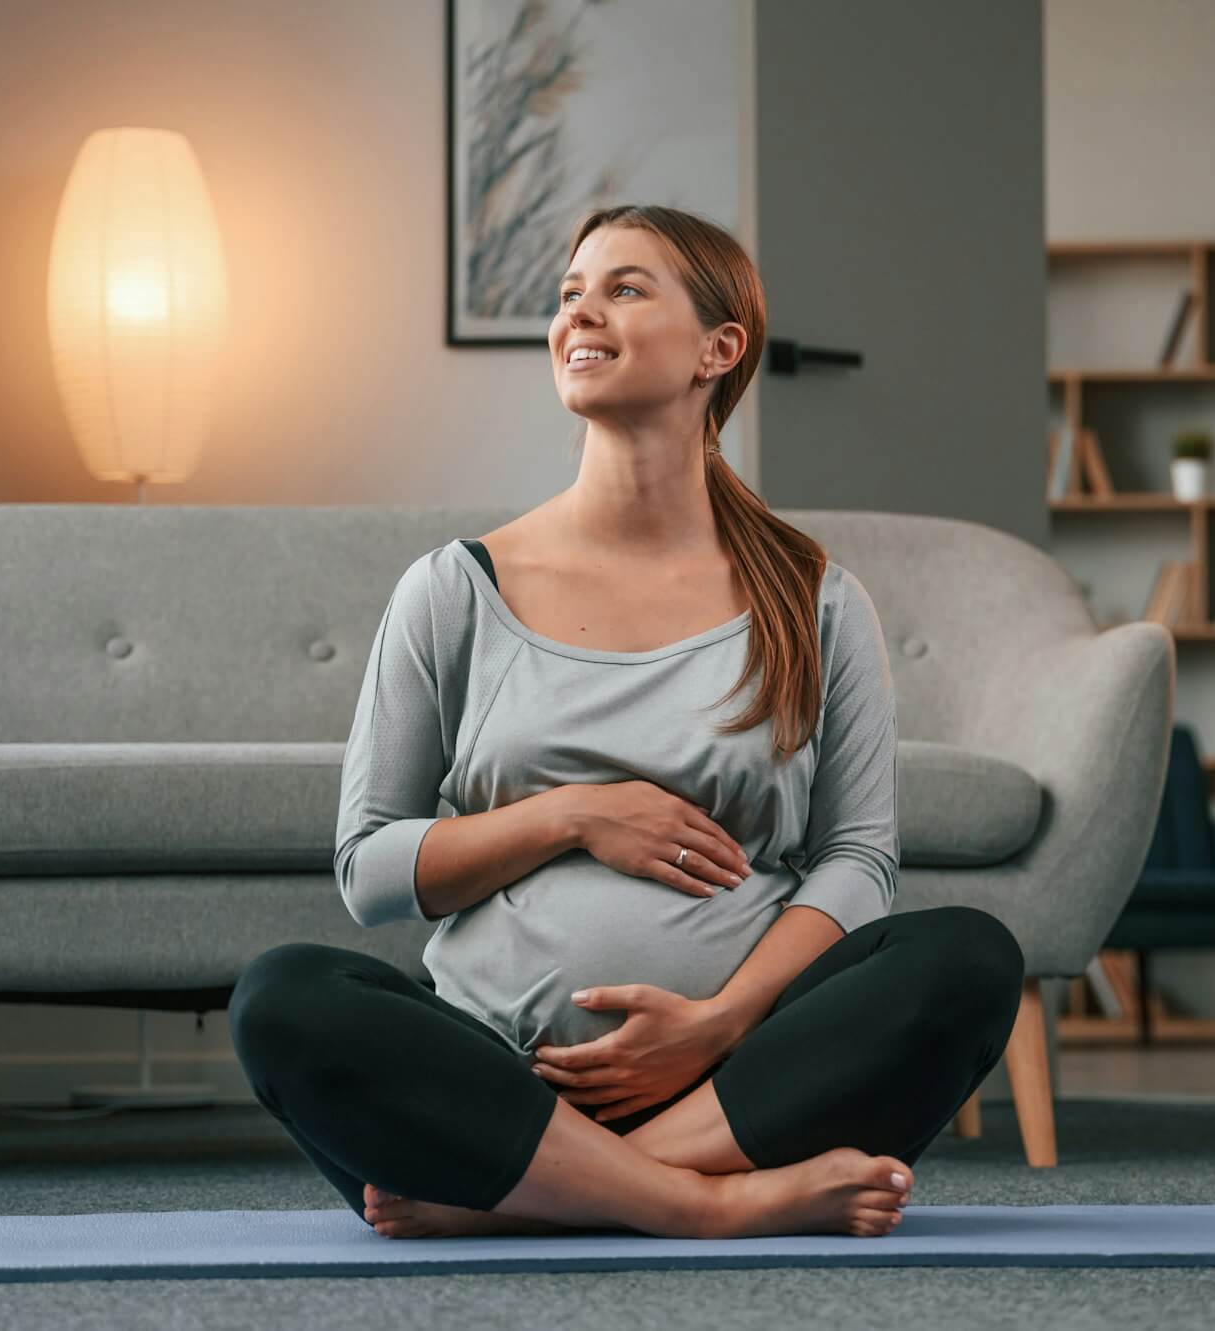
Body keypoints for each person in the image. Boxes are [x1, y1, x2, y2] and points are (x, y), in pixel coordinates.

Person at [229, 204, 1024, 1242]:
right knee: (282, 997)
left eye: (623, 287)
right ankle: (703, 1201)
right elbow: (369, 870)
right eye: (569, 294)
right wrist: (571, 816)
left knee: (968, 956)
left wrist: (717, 1022)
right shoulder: (453, 589)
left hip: (737, 1084)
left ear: (717, 348)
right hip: (492, 1082)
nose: (578, 313)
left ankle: (538, 1194)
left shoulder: (816, 597)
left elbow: (859, 861)